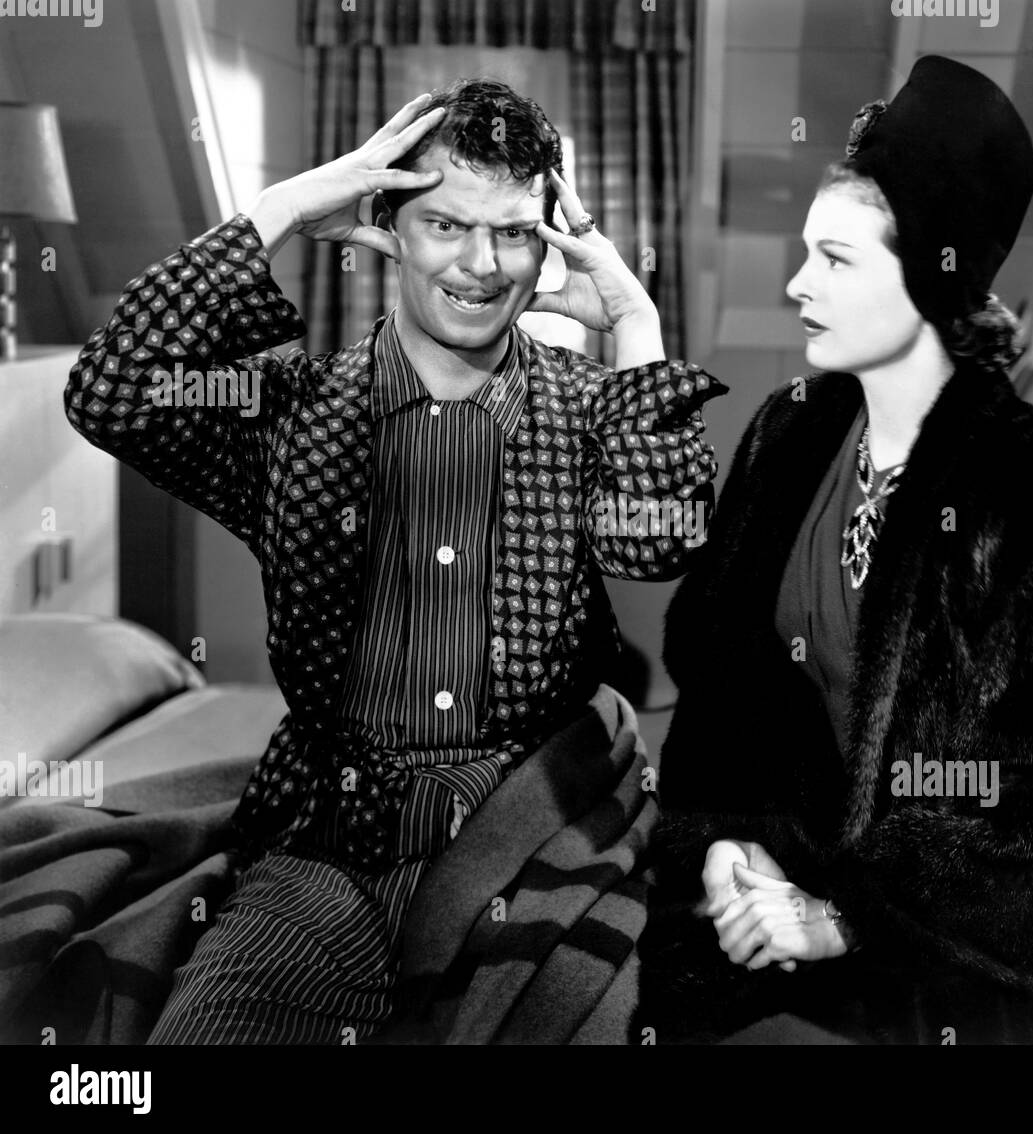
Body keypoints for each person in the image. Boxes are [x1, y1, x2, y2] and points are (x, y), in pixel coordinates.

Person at [64, 77, 724, 1044]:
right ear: (386, 226)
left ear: (548, 245)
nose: (482, 264)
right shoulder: (291, 414)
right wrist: (283, 208)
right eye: (446, 225)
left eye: (514, 234)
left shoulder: (588, 407)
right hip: (328, 856)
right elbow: (113, 391)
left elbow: (658, 535)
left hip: (534, 838)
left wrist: (636, 328)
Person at [634, 56, 1033, 1045]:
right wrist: (728, 846)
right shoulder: (789, 434)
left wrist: (846, 921)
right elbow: (717, 698)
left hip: (978, 961)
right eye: (805, 252)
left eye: (837, 260)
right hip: (774, 918)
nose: (795, 283)